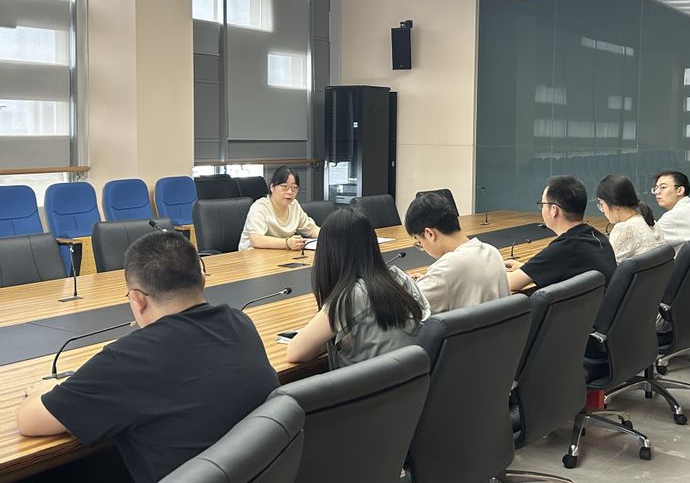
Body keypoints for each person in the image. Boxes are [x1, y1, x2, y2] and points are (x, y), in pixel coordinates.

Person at [17, 232, 279, 483]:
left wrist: (45, 389)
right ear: (202, 280)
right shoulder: (240, 323)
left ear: (137, 299)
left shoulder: (128, 359)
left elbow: (29, 421)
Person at [287, 207, 430, 367]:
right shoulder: (400, 278)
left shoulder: (349, 298)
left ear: (328, 254)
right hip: (413, 379)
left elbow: (295, 352)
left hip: (372, 382)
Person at [505, 176, 617, 292]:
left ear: (554, 210)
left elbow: (510, 283)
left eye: (542, 204)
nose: (541, 209)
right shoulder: (598, 237)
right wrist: (526, 268)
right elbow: (561, 265)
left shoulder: (564, 248)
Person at [404, 192, 507, 314]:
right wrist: (430, 280)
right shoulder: (492, 251)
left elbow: (403, 308)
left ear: (429, 234)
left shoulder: (444, 271)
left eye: (419, 241)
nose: (422, 247)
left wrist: (432, 281)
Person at [238, 165, 320, 251]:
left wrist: (327, 235)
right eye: (285, 187)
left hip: (279, 253)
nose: (290, 192)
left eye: (294, 188)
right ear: (272, 187)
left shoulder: (294, 205)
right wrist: (287, 243)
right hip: (252, 255)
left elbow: (312, 229)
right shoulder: (260, 207)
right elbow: (256, 239)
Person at [596, 174, 665, 264]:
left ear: (615, 204)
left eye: (602, 204)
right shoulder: (652, 222)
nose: (602, 210)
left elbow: (608, 266)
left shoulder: (624, 229)